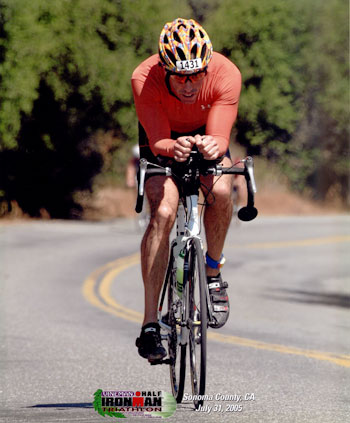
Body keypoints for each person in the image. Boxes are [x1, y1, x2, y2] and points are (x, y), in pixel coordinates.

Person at [131, 18, 242, 361]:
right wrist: (170, 147)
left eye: (197, 75)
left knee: (221, 191)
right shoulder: (144, 78)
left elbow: (221, 136)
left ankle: (212, 273)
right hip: (162, 140)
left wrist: (213, 144)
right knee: (163, 213)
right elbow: (158, 138)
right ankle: (150, 324)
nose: (190, 84)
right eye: (181, 76)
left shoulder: (226, 74)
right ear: (165, 68)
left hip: (206, 132)